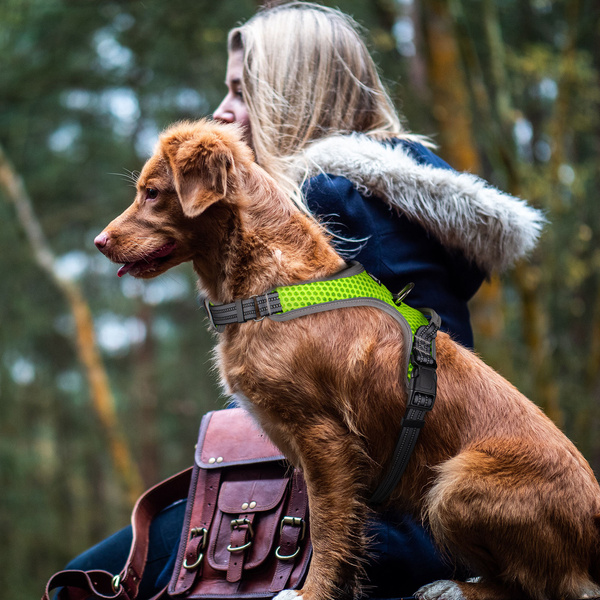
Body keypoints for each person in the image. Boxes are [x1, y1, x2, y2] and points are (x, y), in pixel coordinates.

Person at [60, 2, 545, 598]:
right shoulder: (396, 196)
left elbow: (352, 417)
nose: (221, 110)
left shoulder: (326, 201)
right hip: (408, 512)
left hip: (380, 523)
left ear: (293, 95)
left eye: (240, 89)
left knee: (82, 585)